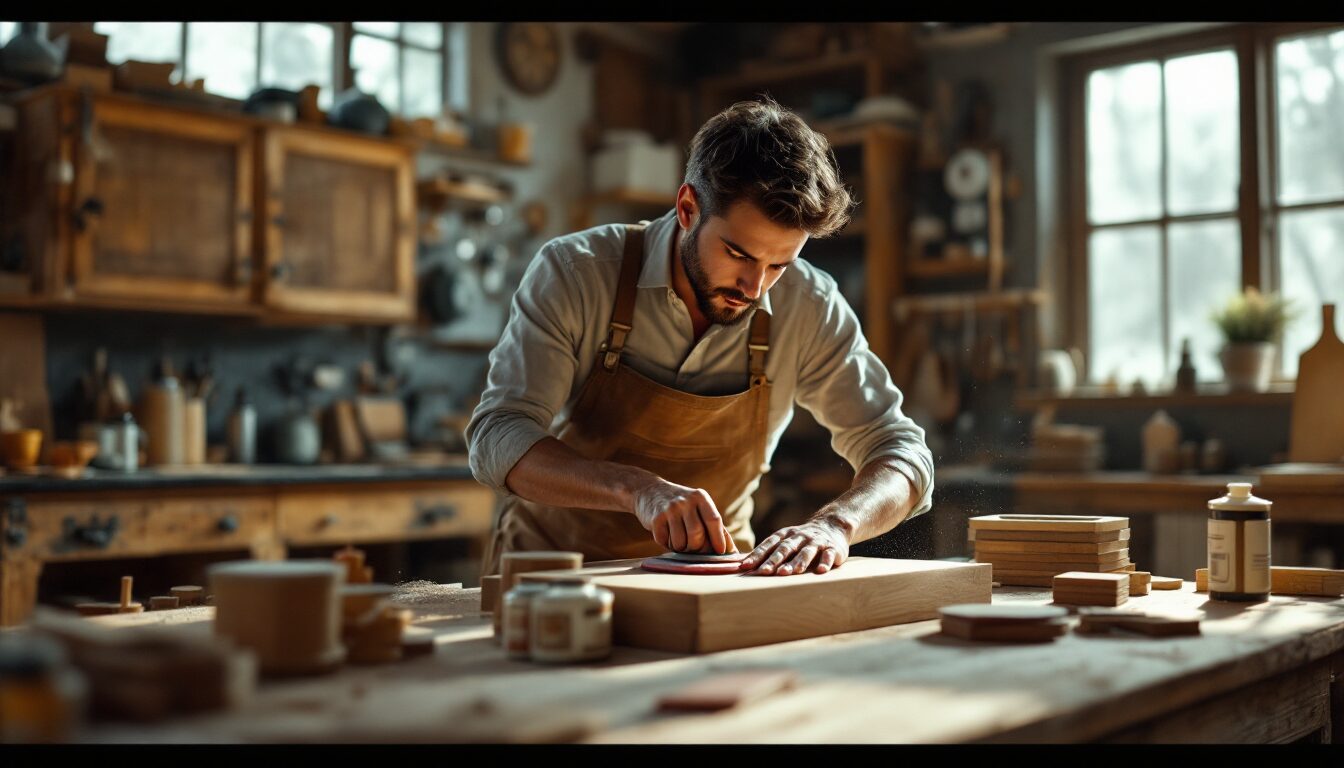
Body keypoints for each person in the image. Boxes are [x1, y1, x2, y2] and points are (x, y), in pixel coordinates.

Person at [468, 97, 933, 578]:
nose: (755, 289)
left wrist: (836, 524)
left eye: (779, 265)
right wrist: (637, 488)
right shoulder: (575, 273)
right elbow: (498, 435)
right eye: (737, 253)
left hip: (712, 581)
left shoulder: (809, 304)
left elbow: (901, 452)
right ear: (688, 207)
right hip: (552, 577)